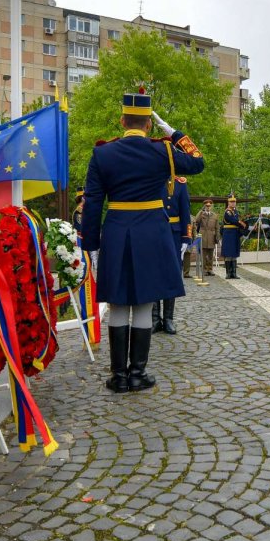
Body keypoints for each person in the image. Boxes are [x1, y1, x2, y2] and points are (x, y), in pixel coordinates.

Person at [82, 91, 205, 393]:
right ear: (149, 125)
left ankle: (118, 376)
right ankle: (138, 373)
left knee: (118, 303)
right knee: (145, 301)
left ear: (122, 120)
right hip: (152, 233)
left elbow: (93, 203)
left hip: (116, 231)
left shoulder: (103, 153)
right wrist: (173, 133)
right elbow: (197, 162)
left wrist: (91, 245)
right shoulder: (162, 151)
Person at [157, 175, 192, 333]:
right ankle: (154, 318)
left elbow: (185, 210)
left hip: (174, 234)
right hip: (154, 232)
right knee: (154, 275)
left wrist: (186, 237)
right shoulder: (151, 178)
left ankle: (168, 318)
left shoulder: (180, 183)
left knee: (172, 275)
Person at [221, 194, 246, 279]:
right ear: (228, 202)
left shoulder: (236, 212)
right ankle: (228, 273)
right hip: (228, 234)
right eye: (231, 202)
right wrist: (242, 223)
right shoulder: (227, 212)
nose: (233, 203)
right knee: (228, 253)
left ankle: (234, 273)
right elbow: (233, 220)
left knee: (234, 253)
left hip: (235, 233)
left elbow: (237, 221)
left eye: (234, 202)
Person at [194, 198, 219, 277]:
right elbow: (196, 221)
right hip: (203, 235)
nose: (208, 207)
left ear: (211, 206)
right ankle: (204, 270)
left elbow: (217, 227)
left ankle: (210, 269)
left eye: (209, 206)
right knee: (204, 254)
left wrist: (217, 237)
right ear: (204, 206)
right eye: (206, 206)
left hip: (212, 236)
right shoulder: (202, 214)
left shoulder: (214, 215)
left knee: (211, 254)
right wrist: (201, 211)